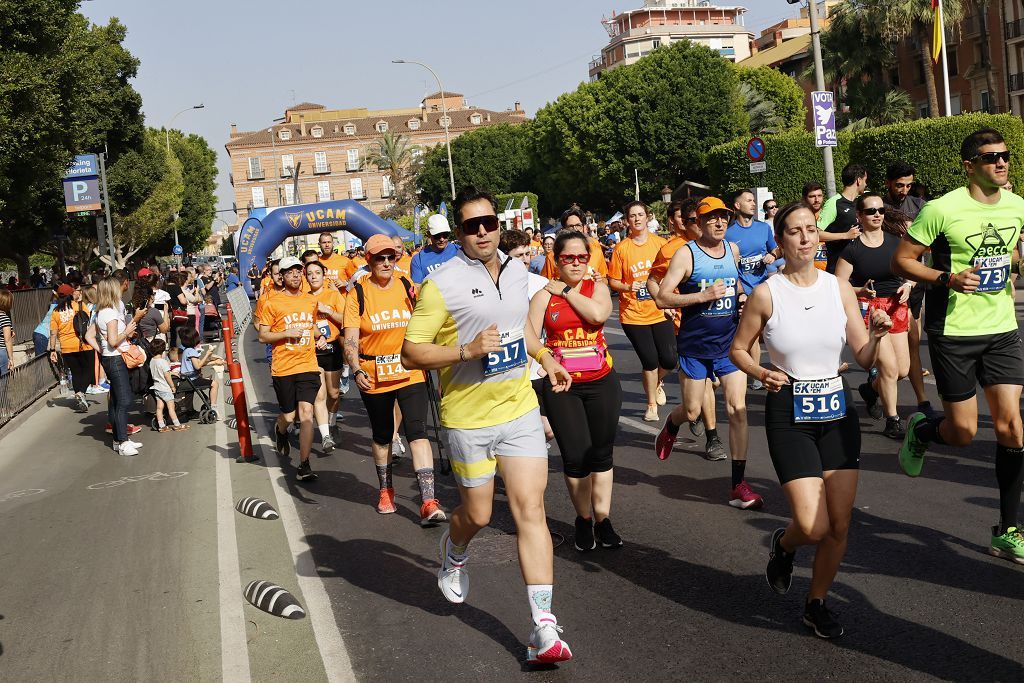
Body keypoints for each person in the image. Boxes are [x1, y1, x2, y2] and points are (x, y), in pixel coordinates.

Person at [402, 186, 574, 664]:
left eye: (489, 223)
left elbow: (524, 331)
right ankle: (455, 550)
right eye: (471, 225)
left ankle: (544, 627)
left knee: (530, 513)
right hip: (467, 419)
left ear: (500, 225)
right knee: (477, 515)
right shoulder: (442, 284)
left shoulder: (520, 271)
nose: (482, 231)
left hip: (518, 410)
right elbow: (411, 352)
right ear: (458, 233)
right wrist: (466, 351)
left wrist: (547, 358)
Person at [730, 200, 893, 639]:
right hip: (790, 410)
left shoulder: (837, 288)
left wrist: (876, 338)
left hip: (836, 410)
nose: (804, 237)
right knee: (812, 525)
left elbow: (860, 355)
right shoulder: (768, 293)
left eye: (810, 229)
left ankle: (815, 603)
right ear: (780, 241)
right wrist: (761, 371)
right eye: (794, 231)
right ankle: (783, 546)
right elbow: (738, 350)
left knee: (839, 525)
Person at [893, 127, 1024, 564]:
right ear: (970, 166)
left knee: (1011, 427)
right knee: (964, 432)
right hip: (953, 331)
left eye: (1005, 156)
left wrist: (1012, 265)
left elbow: (1012, 252)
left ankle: (1007, 529)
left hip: (1001, 327)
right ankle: (924, 429)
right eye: (990, 158)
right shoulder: (942, 209)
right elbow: (903, 260)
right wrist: (947, 278)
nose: (1001, 163)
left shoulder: (1017, 205)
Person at [653, 197, 763, 510]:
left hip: (729, 346)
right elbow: (662, 298)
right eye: (711, 218)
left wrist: (741, 298)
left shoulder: (733, 250)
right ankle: (671, 426)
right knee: (690, 412)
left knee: (737, 409)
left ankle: (738, 485)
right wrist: (703, 296)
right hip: (694, 346)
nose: (718, 223)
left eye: (723, 218)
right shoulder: (686, 255)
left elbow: (735, 286)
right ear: (698, 223)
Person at [529, 231, 623, 551]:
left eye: (582, 257)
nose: (576, 263)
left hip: (601, 381)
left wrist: (567, 291)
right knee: (575, 457)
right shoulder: (544, 295)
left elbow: (598, 314)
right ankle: (583, 519)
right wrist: (543, 357)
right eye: (568, 257)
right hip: (562, 385)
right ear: (556, 259)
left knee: (601, 454)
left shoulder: (596, 287)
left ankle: (603, 519)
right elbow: (528, 334)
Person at [343, 234, 445, 524]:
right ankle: (386, 489)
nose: (386, 262)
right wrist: (356, 368)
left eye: (391, 257)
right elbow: (350, 338)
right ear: (369, 260)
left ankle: (428, 500)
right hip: (373, 374)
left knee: (417, 431)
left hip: (409, 370)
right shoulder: (358, 293)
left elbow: (425, 321)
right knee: (383, 434)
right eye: (379, 258)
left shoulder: (406, 285)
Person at [647, 198, 722, 457]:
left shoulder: (722, 246)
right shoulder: (673, 250)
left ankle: (713, 437)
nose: (699, 226)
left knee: (711, 386)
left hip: (716, 329)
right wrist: (664, 302)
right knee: (695, 400)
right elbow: (653, 281)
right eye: (690, 220)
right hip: (684, 328)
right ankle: (699, 425)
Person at [834, 193, 913, 439]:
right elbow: (838, 284)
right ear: (859, 215)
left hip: (896, 306)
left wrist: (909, 284)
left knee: (902, 370)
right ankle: (893, 420)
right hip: (871, 310)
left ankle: (871, 389)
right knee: (889, 368)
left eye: (880, 210)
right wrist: (860, 290)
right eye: (870, 211)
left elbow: (912, 268)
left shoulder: (896, 242)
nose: (877, 214)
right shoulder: (852, 249)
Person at [257, 256, 325, 482]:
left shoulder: (310, 300)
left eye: (298, 271)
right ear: (282, 276)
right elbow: (263, 335)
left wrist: (321, 336)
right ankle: (281, 429)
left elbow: (312, 325)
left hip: (307, 364)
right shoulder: (271, 302)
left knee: (306, 415)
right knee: (289, 414)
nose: (296, 275)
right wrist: (286, 333)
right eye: (290, 272)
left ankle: (304, 464)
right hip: (284, 367)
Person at [608, 201, 674, 421]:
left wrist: (671, 302)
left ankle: (656, 382)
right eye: (632, 216)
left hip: (659, 309)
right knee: (649, 360)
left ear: (648, 217)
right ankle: (651, 405)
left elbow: (671, 275)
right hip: (633, 314)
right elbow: (613, 281)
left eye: (640, 215)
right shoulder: (622, 249)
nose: (637, 219)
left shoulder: (661, 244)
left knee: (669, 359)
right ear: (627, 220)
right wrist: (628, 286)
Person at [501, 229, 555, 443]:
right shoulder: (498, 287)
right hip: (512, 366)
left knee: (549, 429)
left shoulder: (541, 283)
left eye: (527, 254)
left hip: (540, 365)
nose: (525, 260)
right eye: (518, 255)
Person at [881, 208, 936, 419]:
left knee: (914, 349)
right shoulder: (890, 247)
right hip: (891, 302)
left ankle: (922, 400)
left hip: (913, 298)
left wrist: (910, 284)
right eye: (909, 228)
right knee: (892, 365)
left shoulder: (915, 246)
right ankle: (880, 394)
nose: (914, 232)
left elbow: (918, 269)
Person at [726, 189, 780, 391]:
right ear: (737, 205)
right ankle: (756, 374)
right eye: (748, 200)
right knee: (753, 334)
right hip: (743, 290)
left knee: (773, 331)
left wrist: (772, 256)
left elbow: (776, 248)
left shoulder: (763, 228)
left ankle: (776, 368)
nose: (753, 203)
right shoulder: (729, 233)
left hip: (764, 288)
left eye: (753, 200)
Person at [91, 276, 142, 456]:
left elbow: (91, 336)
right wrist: (126, 332)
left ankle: (117, 439)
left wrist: (102, 349)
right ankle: (122, 441)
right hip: (115, 359)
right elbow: (113, 341)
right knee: (124, 400)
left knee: (116, 400)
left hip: (110, 358)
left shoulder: (102, 312)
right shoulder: (110, 313)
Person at [305, 259, 345, 452]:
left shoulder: (333, 295)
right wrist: (317, 335)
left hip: (333, 348)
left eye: (317, 273)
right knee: (319, 395)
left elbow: (346, 319)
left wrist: (327, 311)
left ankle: (332, 421)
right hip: (313, 350)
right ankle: (325, 436)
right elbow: (303, 323)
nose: (313, 276)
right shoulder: (303, 298)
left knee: (333, 393)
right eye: (310, 273)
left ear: (324, 275)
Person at [48, 281, 96, 413]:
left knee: (76, 372)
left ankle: (80, 396)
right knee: (88, 370)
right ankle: (81, 393)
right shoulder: (79, 306)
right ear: (71, 294)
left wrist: (52, 350)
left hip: (66, 347)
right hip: (83, 344)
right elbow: (90, 323)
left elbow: (53, 332)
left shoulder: (55, 312)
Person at [817, 164, 868, 273]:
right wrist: (845, 235)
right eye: (865, 180)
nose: (866, 184)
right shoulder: (834, 203)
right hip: (838, 268)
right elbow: (816, 233)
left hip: (860, 267)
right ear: (859, 180)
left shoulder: (861, 202)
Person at [541, 208, 608, 280]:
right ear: (564, 229)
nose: (575, 229)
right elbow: (545, 282)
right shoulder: (552, 256)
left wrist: (600, 280)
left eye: (578, 225)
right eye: (570, 226)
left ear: (584, 227)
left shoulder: (595, 250)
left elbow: (605, 279)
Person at [148, 337, 189, 432]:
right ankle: (177, 424)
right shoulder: (163, 362)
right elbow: (167, 376)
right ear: (162, 350)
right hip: (165, 388)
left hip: (156, 387)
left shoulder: (152, 361)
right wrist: (172, 386)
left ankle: (161, 426)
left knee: (159, 408)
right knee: (171, 408)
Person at [178, 325, 223, 409]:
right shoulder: (192, 351)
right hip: (193, 379)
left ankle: (190, 411)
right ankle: (214, 408)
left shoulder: (186, 351)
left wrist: (214, 362)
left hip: (187, 379)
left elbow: (199, 363)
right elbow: (198, 366)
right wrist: (207, 354)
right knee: (214, 384)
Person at [410, 214, 460, 284]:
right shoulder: (418, 260)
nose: (442, 239)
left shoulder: (459, 251)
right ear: (429, 234)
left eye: (445, 235)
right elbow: (418, 288)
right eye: (437, 236)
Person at [0, 288, 11, 377]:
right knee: (3, 379)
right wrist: (11, 358)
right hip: (1, 351)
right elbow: (7, 340)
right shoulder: (4, 318)